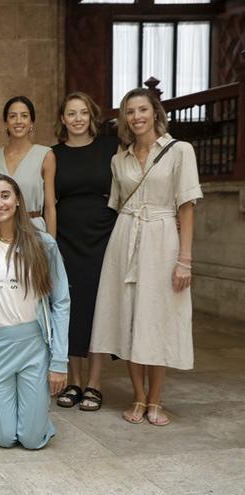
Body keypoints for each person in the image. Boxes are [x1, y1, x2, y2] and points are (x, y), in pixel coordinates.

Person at [90, 88, 202, 427]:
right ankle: (138, 396)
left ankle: (156, 400)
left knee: (158, 317)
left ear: (155, 112)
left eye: (142, 110)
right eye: (129, 111)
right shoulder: (118, 159)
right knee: (129, 316)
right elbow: (117, 206)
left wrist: (185, 259)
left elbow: (186, 207)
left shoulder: (180, 151)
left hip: (162, 237)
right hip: (124, 239)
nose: (136, 117)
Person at [0, 174, 69, 449]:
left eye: (5, 195)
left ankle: (37, 420)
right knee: (4, 438)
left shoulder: (44, 244)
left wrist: (59, 361)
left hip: (33, 346)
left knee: (31, 440)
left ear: (18, 200)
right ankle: (0, 416)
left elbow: (61, 302)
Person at [51, 92, 119, 412]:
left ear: (92, 116)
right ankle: (74, 380)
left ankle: (94, 382)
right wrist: (52, 244)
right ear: (63, 119)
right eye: (70, 114)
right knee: (72, 307)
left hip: (103, 237)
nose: (77, 119)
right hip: (67, 238)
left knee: (98, 307)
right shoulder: (54, 154)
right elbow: (50, 202)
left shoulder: (111, 148)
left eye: (82, 113)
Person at [0, 96, 57, 236]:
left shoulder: (45, 155)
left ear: (31, 122)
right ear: (6, 123)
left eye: (24, 116)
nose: (18, 121)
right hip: (1, 231)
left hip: (34, 231)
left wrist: (52, 246)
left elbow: (50, 208)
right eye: (12, 116)